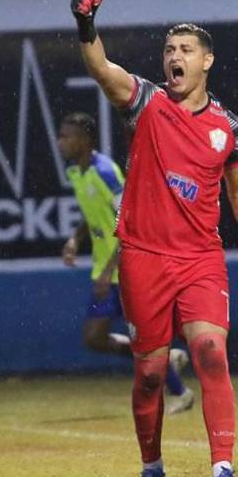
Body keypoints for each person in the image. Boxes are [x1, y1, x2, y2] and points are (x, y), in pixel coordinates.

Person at [68, 0, 238, 477]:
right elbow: (102, 70)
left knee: (210, 351)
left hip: (201, 259)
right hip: (143, 258)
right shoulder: (146, 102)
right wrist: (86, 24)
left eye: (184, 50)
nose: (173, 57)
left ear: (207, 61)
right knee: (150, 374)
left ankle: (222, 470)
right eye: (168, 50)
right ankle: (152, 470)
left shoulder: (229, 129)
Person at [56, 112, 195, 414]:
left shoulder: (106, 172)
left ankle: (181, 393)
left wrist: (109, 271)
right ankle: (169, 360)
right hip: (106, 271)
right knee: (95, 338)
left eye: (66, 136)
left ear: (85, 140)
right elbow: (95, 215)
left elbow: (130, 221)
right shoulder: (75, 172)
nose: (60, 142)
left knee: (142, 339)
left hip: (127, 269)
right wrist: (75, 239)